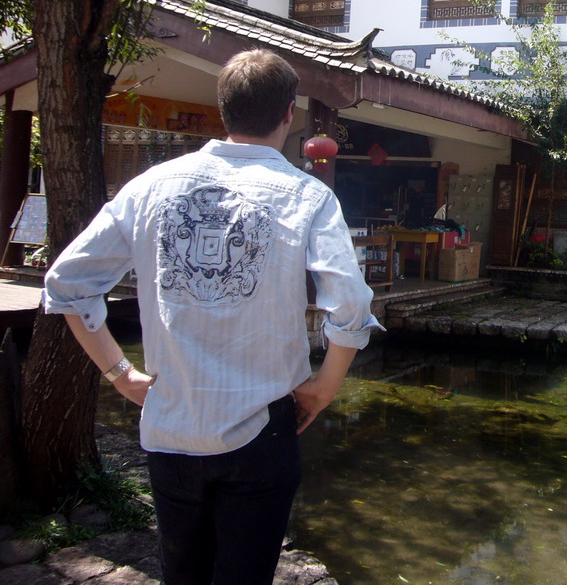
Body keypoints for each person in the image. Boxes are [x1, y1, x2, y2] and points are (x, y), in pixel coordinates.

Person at [43, 49, 381, 585]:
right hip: (264, 427)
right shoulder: (309, 197)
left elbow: (67, 283)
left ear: (224, 109)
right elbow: (352, 305)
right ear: (288, 114)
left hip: (172, 422)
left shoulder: (150, 187)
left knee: (182, 573)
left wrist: (118, 373)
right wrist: (323, 388)